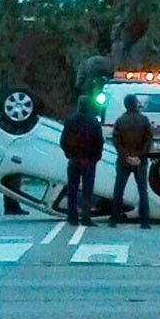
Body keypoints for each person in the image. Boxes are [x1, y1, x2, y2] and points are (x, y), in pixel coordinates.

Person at [60, 96, 104, 226]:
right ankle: (86, 217)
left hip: (74, 159)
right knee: (87, 190)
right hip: (89, 160)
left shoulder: (70, 121)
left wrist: (69, 154)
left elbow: (63, 141)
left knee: (72, 189)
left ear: (79, 105)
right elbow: (99, 141)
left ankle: (72, 216)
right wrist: (96, 157)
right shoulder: (94, 122)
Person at [110, 94, 152, 229]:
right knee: (142, 191)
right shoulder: (144, 120)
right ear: (135, 104)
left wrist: (126, 156)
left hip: (124, 161)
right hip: (140, 161)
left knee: (119, 189)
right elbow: (148, 140)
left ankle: (114, 219)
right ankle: (144, 221)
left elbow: (116, 141)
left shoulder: (120, 121)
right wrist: (139, 156)